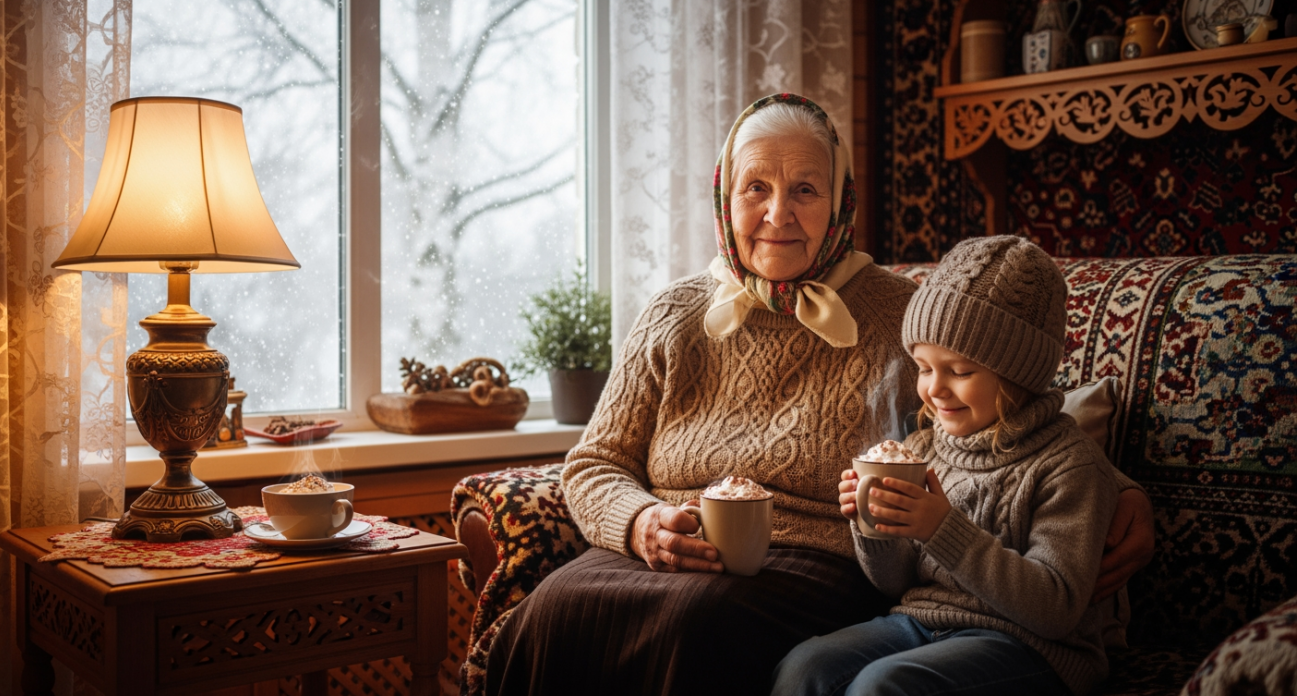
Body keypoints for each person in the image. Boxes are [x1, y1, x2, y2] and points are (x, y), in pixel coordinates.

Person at [483, 95, 1153, 696]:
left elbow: (1001, 413)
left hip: (814, 566)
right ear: (725, 198)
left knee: (697, 623)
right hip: (663, 550)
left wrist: (1122, 489)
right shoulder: (672, 315)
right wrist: (638, 524)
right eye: (756, 188)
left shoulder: (902, 315)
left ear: (839, 202)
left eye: (805, 188)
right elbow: (595, 461)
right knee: (553, 609)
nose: (778, 214)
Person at [772, 236, 1120, 696]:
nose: (934, 389)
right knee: (805, 666)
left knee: (884, 685)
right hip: (920, 623)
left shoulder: (1068, 464)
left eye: (959, 371)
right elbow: (894, 582)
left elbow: (1055, 609)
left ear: (1019, 375)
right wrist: (871, 524)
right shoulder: (924, 447)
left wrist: (941, 528)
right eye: (923, 367)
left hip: (1030, 646)